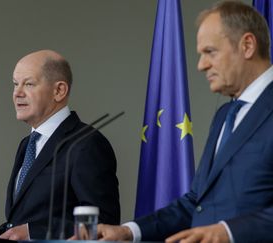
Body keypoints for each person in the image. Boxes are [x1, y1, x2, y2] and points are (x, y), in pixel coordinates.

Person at [96, 1, 273, 243]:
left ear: (247, 45)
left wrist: (228, 232)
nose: (201, 65)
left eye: (210, 52)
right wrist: (129, 231)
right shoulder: (224, 116)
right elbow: (195, 202)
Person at [0, 50, 120, 240]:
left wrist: (33, 231)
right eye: (15, 84)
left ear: (59, 91)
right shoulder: (27, 144)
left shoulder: (87, 143)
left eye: (28, 84)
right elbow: (20, 221)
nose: (17, 93)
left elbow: (103, 221)